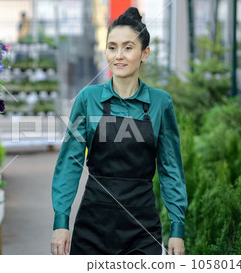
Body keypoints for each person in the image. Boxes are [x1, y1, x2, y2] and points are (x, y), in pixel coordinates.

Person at [50, 7, 188, 255]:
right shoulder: (87, 98)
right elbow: (69, 161)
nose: (119, 56)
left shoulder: (160, 103)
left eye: (128, 47)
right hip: (93, 224)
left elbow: (171, 168)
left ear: (145, 53)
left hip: (142, 228)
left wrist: (177, 228)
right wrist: (61, 221)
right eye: (112, 47)